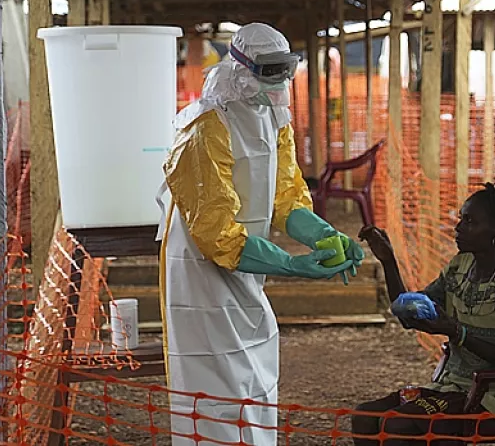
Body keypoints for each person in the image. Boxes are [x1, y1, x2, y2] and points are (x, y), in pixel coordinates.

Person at [156, 23, 364, 445]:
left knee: (255, 376)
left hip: (249, 265)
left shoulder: (274, 118)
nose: (280, 83)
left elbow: (286, 195)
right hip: (201, 272)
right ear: (241, 68)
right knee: (215, 386)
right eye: (272, 72)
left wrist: (325, 235)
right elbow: (217, 234)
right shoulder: (204, 129)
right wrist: (292, 265)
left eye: (286, 71)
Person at [353, 180, 495, 445]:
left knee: (396, 424)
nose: (458, 228)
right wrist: (388, 261)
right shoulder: (460, 266)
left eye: (470, 222)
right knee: (364, 416)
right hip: (450, 388)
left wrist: (457, 332)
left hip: (494, 399)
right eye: (461, 219)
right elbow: (408, 310)